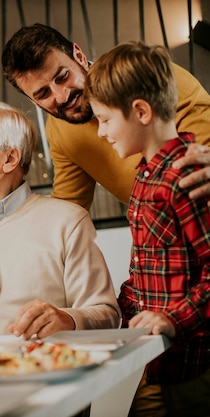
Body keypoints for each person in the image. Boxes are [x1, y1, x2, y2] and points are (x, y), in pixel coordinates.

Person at [85, 41, 210, 416]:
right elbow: (148, 268)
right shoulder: (144, 176)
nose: (100, 132)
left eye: (105, 120)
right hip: (157, 360)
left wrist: (173, 318)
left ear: (140, 111)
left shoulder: (188, 176)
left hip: (194, 365)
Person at [0, 101, 121, 339]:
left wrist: (68, 319)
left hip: (37, 370)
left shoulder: (68, 222)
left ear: (9, 158)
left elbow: (107, 314)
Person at [1, 23, 210, 210]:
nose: (62, 96)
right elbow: (70, 207)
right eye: (43, 94)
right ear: (33, 101)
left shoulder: (147, 76)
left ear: (80, 56)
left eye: (63, 76)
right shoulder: (59, 130)